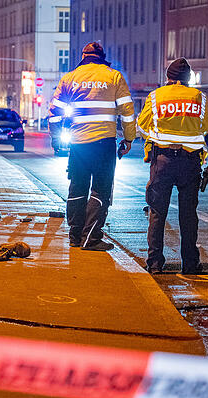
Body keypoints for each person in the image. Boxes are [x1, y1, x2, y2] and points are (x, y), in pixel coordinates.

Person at [48, 42, 136, 251]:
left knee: (77, 187)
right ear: (101, 57)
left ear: (83, 57)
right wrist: (129, 138)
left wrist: (54, 137)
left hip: (78, 143)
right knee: (101, 189)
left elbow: (54, 112)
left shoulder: (70, 78)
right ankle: (91, 237)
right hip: (104, 143)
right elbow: (127, 110)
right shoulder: (113, 77)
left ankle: (75, 235)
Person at [137, 58, 208, 274]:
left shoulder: (155, 96)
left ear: (168, 77)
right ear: (188, 79)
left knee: (157, 212)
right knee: (188, 214)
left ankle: (155, 263)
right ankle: (190, 263)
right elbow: (205, 126)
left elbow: (142, 125)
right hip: (190, 162)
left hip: (162, 161)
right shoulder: (199, 98)